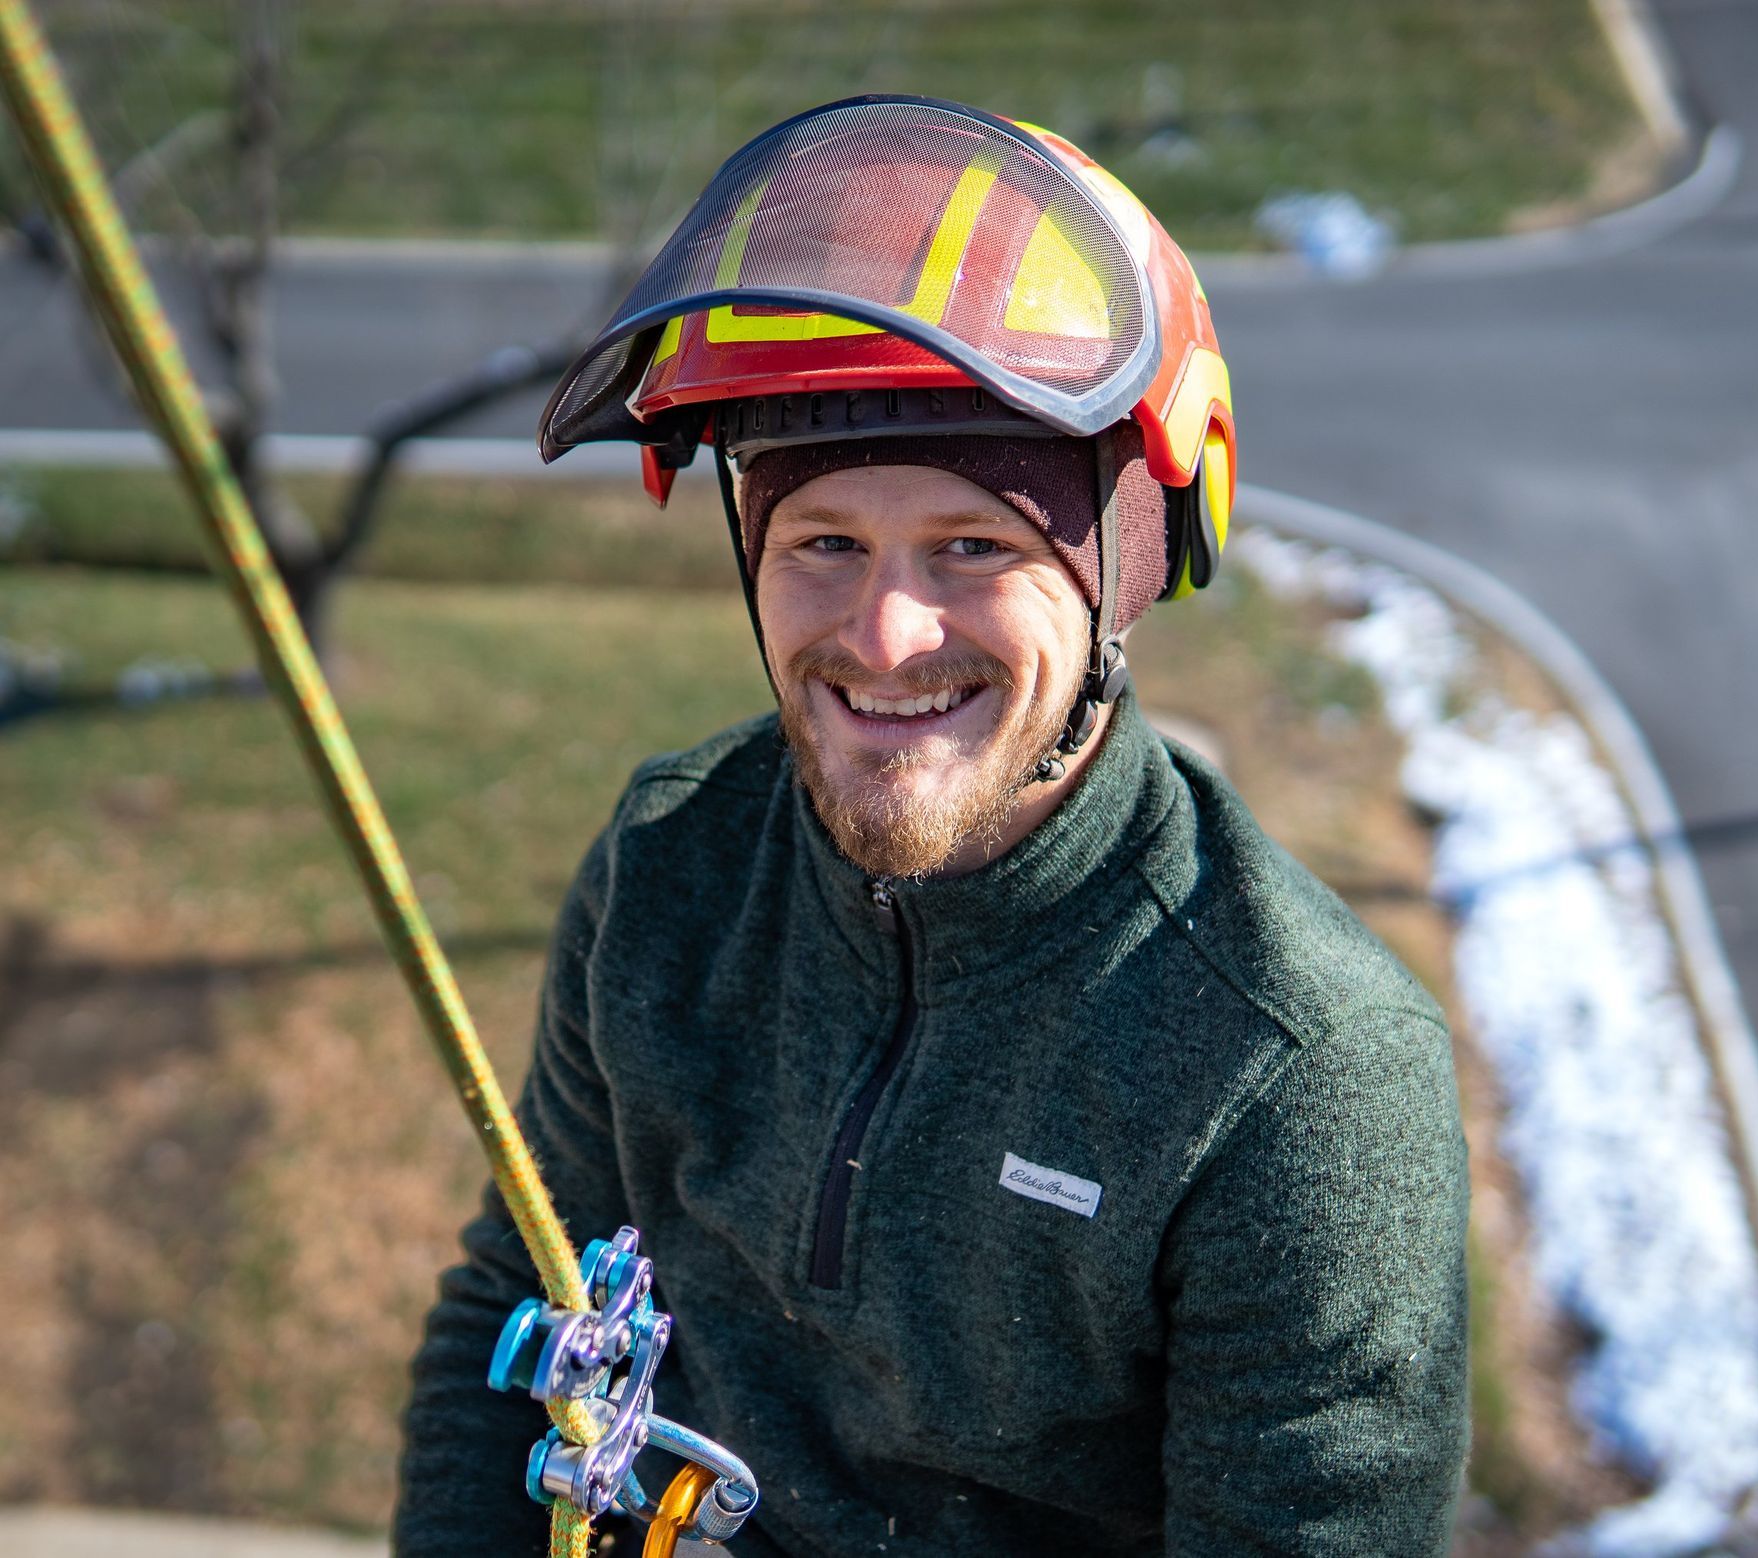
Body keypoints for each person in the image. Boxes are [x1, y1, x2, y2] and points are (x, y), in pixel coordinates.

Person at [395, 97, 1468, 1557]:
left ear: (1119, 579)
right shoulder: (671, 869)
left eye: (975, 547)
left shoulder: (1295, 1080)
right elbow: (519, 1314)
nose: (887, 636)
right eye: (822, 542)